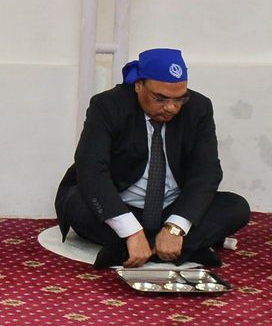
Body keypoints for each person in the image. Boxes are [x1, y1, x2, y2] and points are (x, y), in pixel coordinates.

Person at [55, 47, 250, 269]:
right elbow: (91, 168)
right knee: (77, 204)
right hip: (121, 204)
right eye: (160, 98)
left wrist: (175, 227)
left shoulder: (199, 108)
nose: (171, 108)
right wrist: (131, 230)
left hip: (171, 208)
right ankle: (186, 248)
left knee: (236, 207)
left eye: (179, 99)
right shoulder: (107, 105)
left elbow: (207, 172)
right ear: (139, 85)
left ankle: (126, 250)